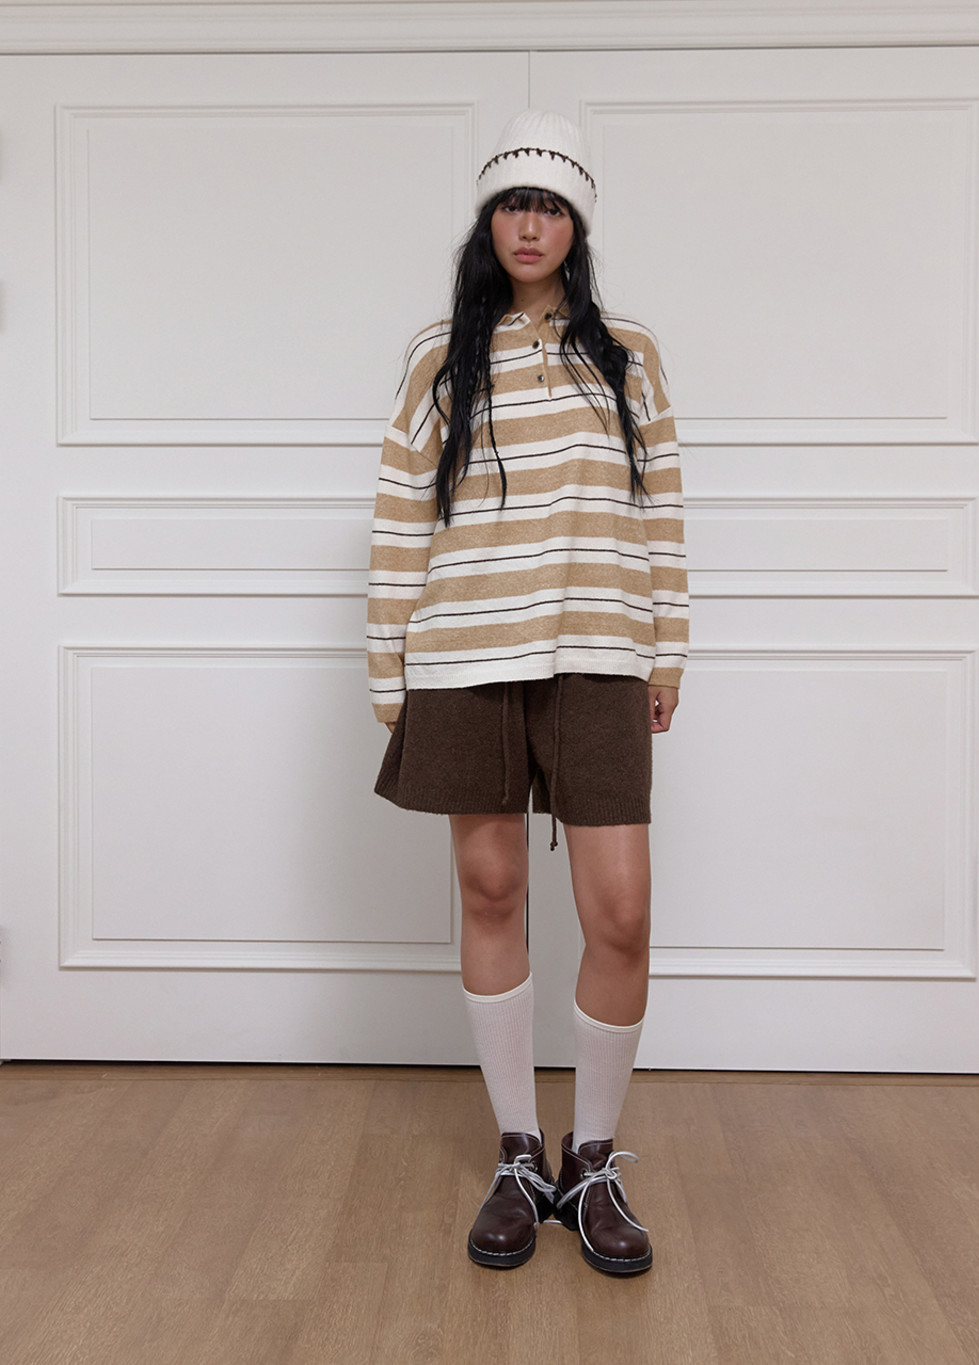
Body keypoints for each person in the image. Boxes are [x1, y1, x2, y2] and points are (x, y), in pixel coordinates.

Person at [366, 110, 688, 1276]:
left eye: (551, 206)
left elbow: (661, 506)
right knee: (492, 888)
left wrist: (666, 650)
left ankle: (590, 1160)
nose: (531, 224)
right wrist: (389, 672)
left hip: (599, 650)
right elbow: (401, 513)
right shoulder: (438, 356)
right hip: (464, 654)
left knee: (621, 913)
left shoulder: (628, 353)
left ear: (577, 225)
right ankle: (518, 1154)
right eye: (514, 202)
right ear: (487, 219)